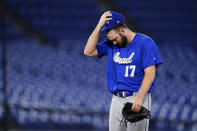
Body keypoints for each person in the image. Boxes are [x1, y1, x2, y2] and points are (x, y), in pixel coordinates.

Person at [84, 11, 162, 131]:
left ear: (123, 31)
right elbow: (88, 51)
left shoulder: (145, 43)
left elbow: (150, 74)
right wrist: (99, 26)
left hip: (137, 97)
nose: (113, 42)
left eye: (115, 39)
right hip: (116, 99)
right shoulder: (111, 44)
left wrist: (140, 97)